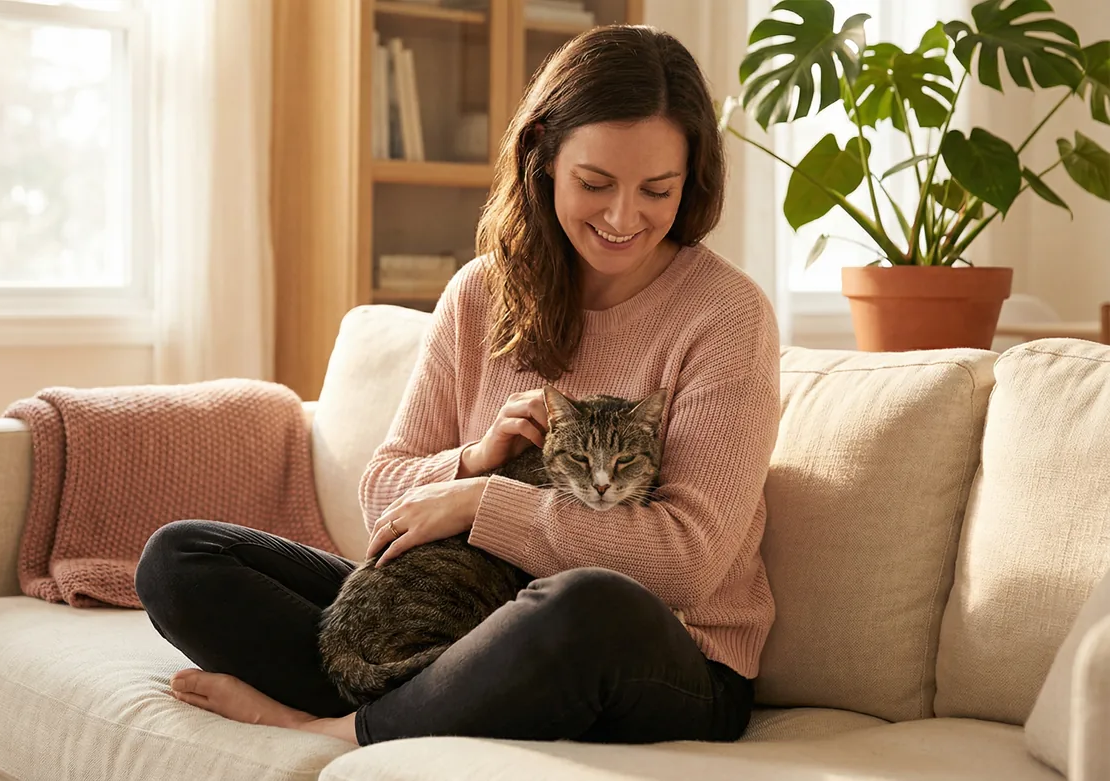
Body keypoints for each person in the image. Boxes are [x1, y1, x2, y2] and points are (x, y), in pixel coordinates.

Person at [134, 24, 780, 746]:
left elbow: (685, 563)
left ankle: (338, 728)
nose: (623, 217)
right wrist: (472, 459)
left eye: (657, 190)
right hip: (462, 622)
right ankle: (442, 698)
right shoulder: (480, 293)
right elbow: (383, 495)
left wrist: (481, 499)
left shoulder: (726, 314)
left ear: (690, 180)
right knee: (182, 561)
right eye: (594, 183)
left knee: (584, 604)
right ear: (543, 156)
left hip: (652, 649)